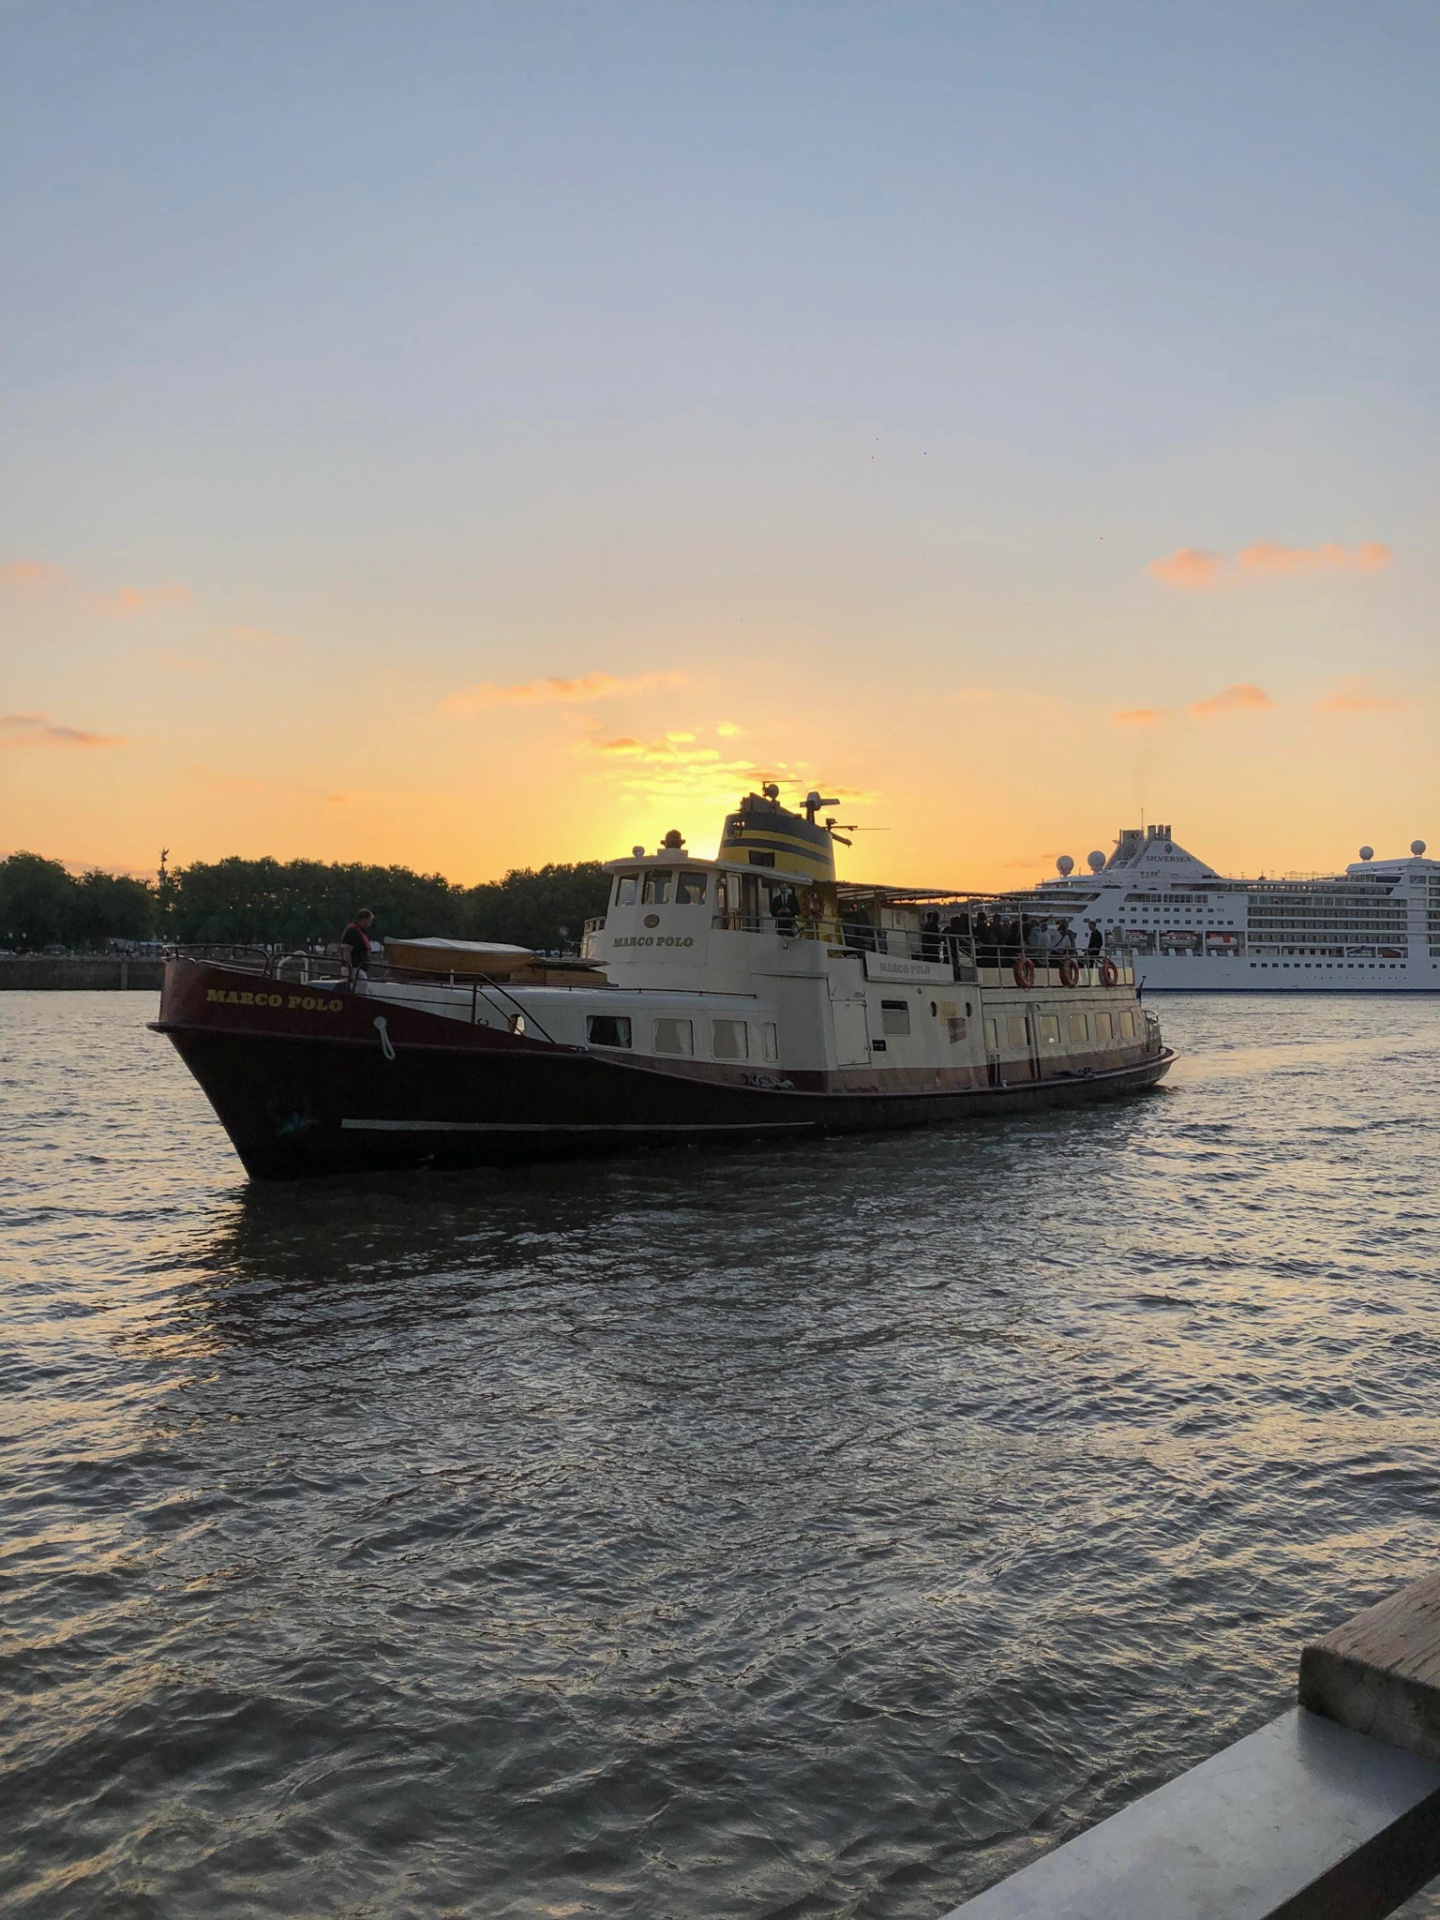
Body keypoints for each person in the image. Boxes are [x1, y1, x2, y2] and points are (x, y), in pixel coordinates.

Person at [341, 908, 375, 988]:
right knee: (360, 993)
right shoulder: (352, 932)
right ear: (363, 919)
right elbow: (347, 952)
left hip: (359, 969)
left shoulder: (358, 931)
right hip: (355, 969)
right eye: (369, 921)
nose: (370, 925)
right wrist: (350, 971)